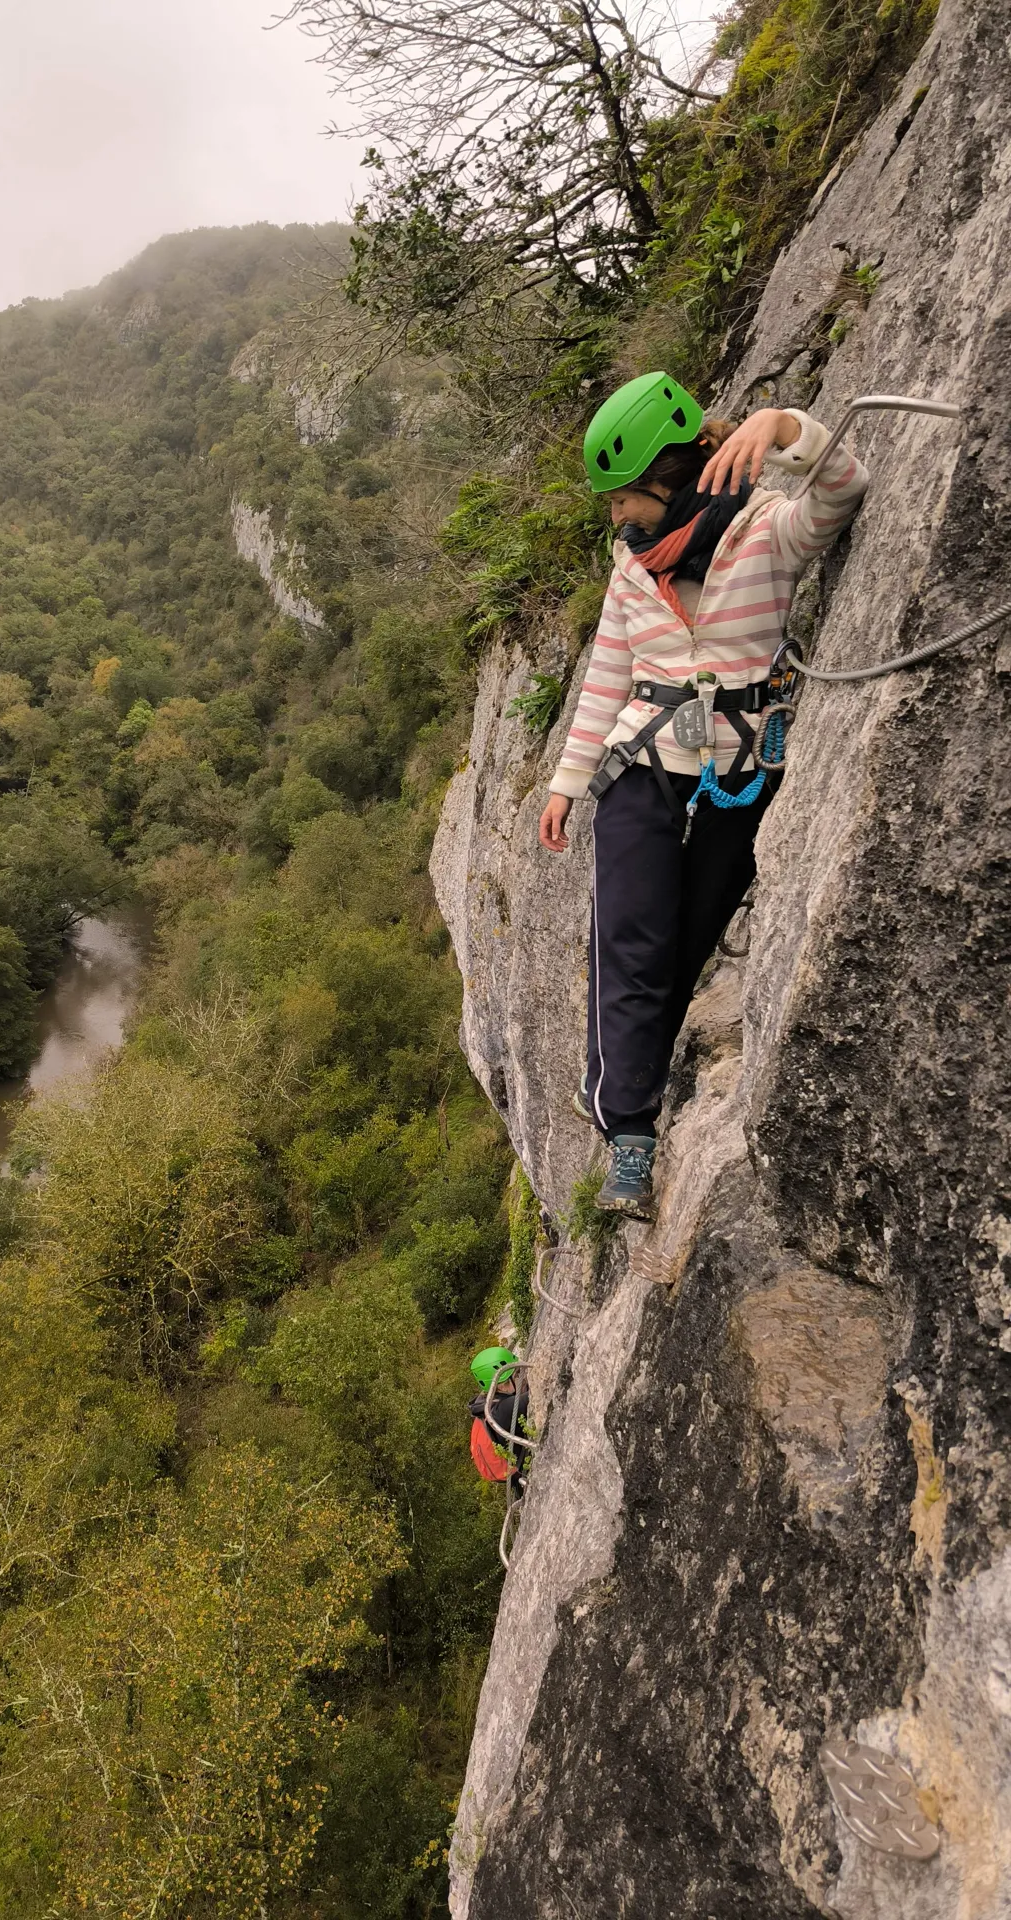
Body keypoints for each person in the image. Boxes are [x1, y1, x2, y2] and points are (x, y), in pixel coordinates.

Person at [539, 372, 869, 1219]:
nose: (615, 519)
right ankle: (630, 1136)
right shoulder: (630, 572)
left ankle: (615, 1078)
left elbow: (842, 488)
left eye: (621, 500)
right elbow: (607, 677)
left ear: (665, 475)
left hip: (738, 775)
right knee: (632, 943)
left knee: (685, 945)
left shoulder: (766, 534)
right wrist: (566, 784)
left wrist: (786, 425)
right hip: (640, 772)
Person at [468, 1345, 533, 1493]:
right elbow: (540, 1391)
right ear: (502, 1386)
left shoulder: (488, 1403)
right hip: (525, 1474)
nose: (522, 1374)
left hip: (517, 1478)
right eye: (516, 1373)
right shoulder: (505, 1410)